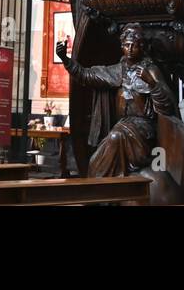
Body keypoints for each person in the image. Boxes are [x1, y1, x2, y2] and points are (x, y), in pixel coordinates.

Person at [56, 23, 177, 177]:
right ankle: (99, 187)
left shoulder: (150, 70)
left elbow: (167, 106)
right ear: (122, 46)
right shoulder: (117, 70)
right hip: (122, 125)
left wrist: (152, 84)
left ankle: (100, 187)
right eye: (127, 45)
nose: (131, 49)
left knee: (115, 136)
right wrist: (65, 59)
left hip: (143, 129)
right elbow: (86, 75)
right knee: (98, 156)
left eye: (135, 45)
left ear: (142, 46)